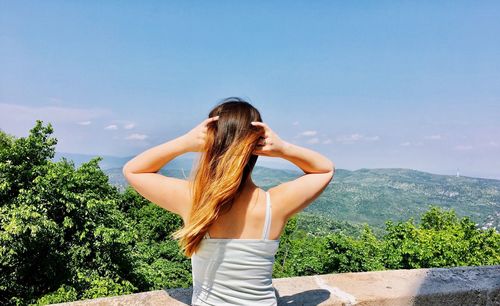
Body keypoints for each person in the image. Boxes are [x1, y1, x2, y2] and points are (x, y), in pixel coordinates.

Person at [123, 97, 335, 305]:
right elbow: (324, 169)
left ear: (210, 143)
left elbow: (134, 170)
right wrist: (284, 149)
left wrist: (185, 142)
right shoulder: (273, 205)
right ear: (256, 148)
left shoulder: (194, 200)